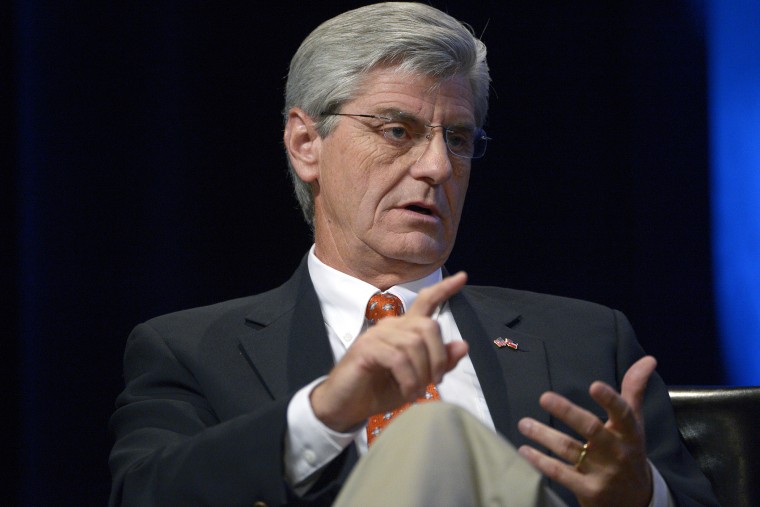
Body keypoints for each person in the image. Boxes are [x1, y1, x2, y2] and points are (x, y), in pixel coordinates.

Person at [109, 3, 718, 506]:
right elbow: (144, 493)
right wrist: (323, 414)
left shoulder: (589, 339)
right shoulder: (191, 350)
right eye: (397, 131)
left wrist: (641, 497)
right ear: (305, 144)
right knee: (430, 431)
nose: (436, 167)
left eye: (457, 138)